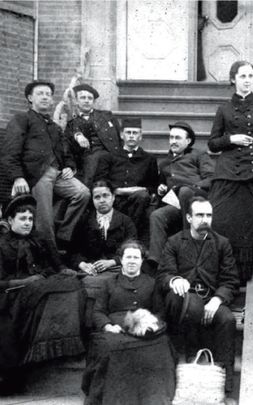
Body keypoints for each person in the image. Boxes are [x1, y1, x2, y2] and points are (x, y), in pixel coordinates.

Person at [0, 194, 87, 394]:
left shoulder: (39, 239)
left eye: (30, 219)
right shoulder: (2, 244)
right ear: (10, 220)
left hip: (38, 287)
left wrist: (64, 271)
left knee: (72, 285)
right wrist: (25, 281)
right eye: (22, 219)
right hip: (10, 294)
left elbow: (56, 266)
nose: (27, 223)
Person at [156, 197, 240, 391]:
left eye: (209, 215)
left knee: (227, 319)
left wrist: (217, 300)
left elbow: (230, 280)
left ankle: (224, 380)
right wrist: (175, 280)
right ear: (188, 217)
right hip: (181, 300)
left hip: (210, 298)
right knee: (192, 306)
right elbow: (163, 275)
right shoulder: (175, 241)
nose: (205, 219)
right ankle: (191, 357)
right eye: (200, 215)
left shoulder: (222, 243)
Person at [207, 60, 253, 282]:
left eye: (250, 76)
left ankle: (240, 277)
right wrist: (231, 139)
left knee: (246, 229)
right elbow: (212, 144)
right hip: (227, 173)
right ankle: (220, 275)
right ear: (233, 79)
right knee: (220, 222)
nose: (247, 80)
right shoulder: (224, 109)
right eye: (242, 76)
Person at [81, 240, 175, 405]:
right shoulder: (109, 283)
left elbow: (160, 312)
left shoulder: (152, 284)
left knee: (162, 344)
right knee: (106, 348)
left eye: (136, 257)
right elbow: (98, 311)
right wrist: (108, 326)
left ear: (141, 261)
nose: (132, 261)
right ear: (122, 260)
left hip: (143, 331)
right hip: (115, 329)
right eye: (128, 257)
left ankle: (151, 396)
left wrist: (150, 324)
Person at [1, 80, 91, 246]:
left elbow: (65, 150)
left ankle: (62, 236)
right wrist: (18, 177)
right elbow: (9, 152)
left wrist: (69, 167)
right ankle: (49, 256)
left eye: (48, 95)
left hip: (57, 173)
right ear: (30, 98)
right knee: (44, 218)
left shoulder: (54, 126)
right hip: (37, 174)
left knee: (83, 193)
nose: (45, 98)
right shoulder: (21, 119)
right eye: (40, 94)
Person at [149, 121, 216, 260]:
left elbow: (211, 178)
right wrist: (161, 189)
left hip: (196, 199)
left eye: (177, 138)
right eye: (171, 138)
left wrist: (193, 187)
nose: (173, 141)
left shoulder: (199, 155)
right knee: (157, 215)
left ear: (188, 141)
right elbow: (161, 185)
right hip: (177, 203)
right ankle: (156, 261)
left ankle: (190, 246)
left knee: (185, 191)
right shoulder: (164, 163)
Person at [69, 180, 138, 301]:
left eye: (106, 195)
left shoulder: (125, 221)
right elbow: (73, 251)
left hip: (117, 270)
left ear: (113, 197)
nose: (102, 200)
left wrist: (112, 262)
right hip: (91, 272)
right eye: (97, 197)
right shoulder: (84, 221)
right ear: (93, 201)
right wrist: (82, 264)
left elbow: (133, 250)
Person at [94, 117, 160, 237]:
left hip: (138, 202)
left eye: (135, 133)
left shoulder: (149, 159)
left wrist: (139, 191)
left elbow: (152, 186)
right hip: (114, 199)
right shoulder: (109, 157)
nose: (131, 136)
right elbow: (101, 180)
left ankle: (130, 236)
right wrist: (119, 190)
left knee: (142, 196)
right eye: (128, 132)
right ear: (121, 135)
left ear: (140, 136)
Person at [64, 83, 122, 185]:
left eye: (90, 98)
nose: (86, 100)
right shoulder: (73, 123)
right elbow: (67, 148)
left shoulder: (106, 116)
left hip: (110, 157)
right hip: (86, 161)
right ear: (76, 101)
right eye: (83, 98)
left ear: (94, 101)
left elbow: (119, 138)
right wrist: (78, 135)